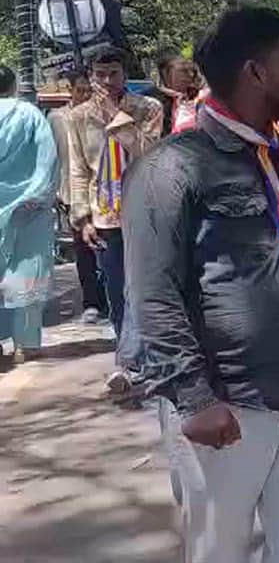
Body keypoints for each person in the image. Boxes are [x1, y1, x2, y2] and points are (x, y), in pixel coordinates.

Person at [125, 6, 279, 563]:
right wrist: (193, 398)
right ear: (255, 72)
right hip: (227, 404)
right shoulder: (171, 168)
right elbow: (153, 294)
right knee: (218, 551)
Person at [66, 46, 163, 388]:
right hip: (105, 216)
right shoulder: (78, 116)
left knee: (144, 288)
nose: (107, 81)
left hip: (144, 210)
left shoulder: (148, 108)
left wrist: (114, 114)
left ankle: (138, 361)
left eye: (114, 74)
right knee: (118, 290)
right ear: (91, 75)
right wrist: (82, 218)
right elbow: (78, 170)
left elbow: (146, 151)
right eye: (100, 75)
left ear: (125, 74)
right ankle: (129, 361)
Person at [0, 66, 58, 364]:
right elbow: (47, 158)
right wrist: (37, 196)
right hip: (28, 209)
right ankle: (26, 343)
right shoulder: (30, 115)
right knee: (26, 273)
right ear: (12, 86)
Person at [48, 69, 107, 323]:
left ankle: (109, 297)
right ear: (70, 89)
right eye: (80, 90)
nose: (84, 95)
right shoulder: (57, 118)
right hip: (71, 191)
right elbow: (52, 157)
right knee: (83, 250)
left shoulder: (99, 114)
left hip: (102, 190)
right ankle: (91, 301)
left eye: (88, 90)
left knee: (107, 247)